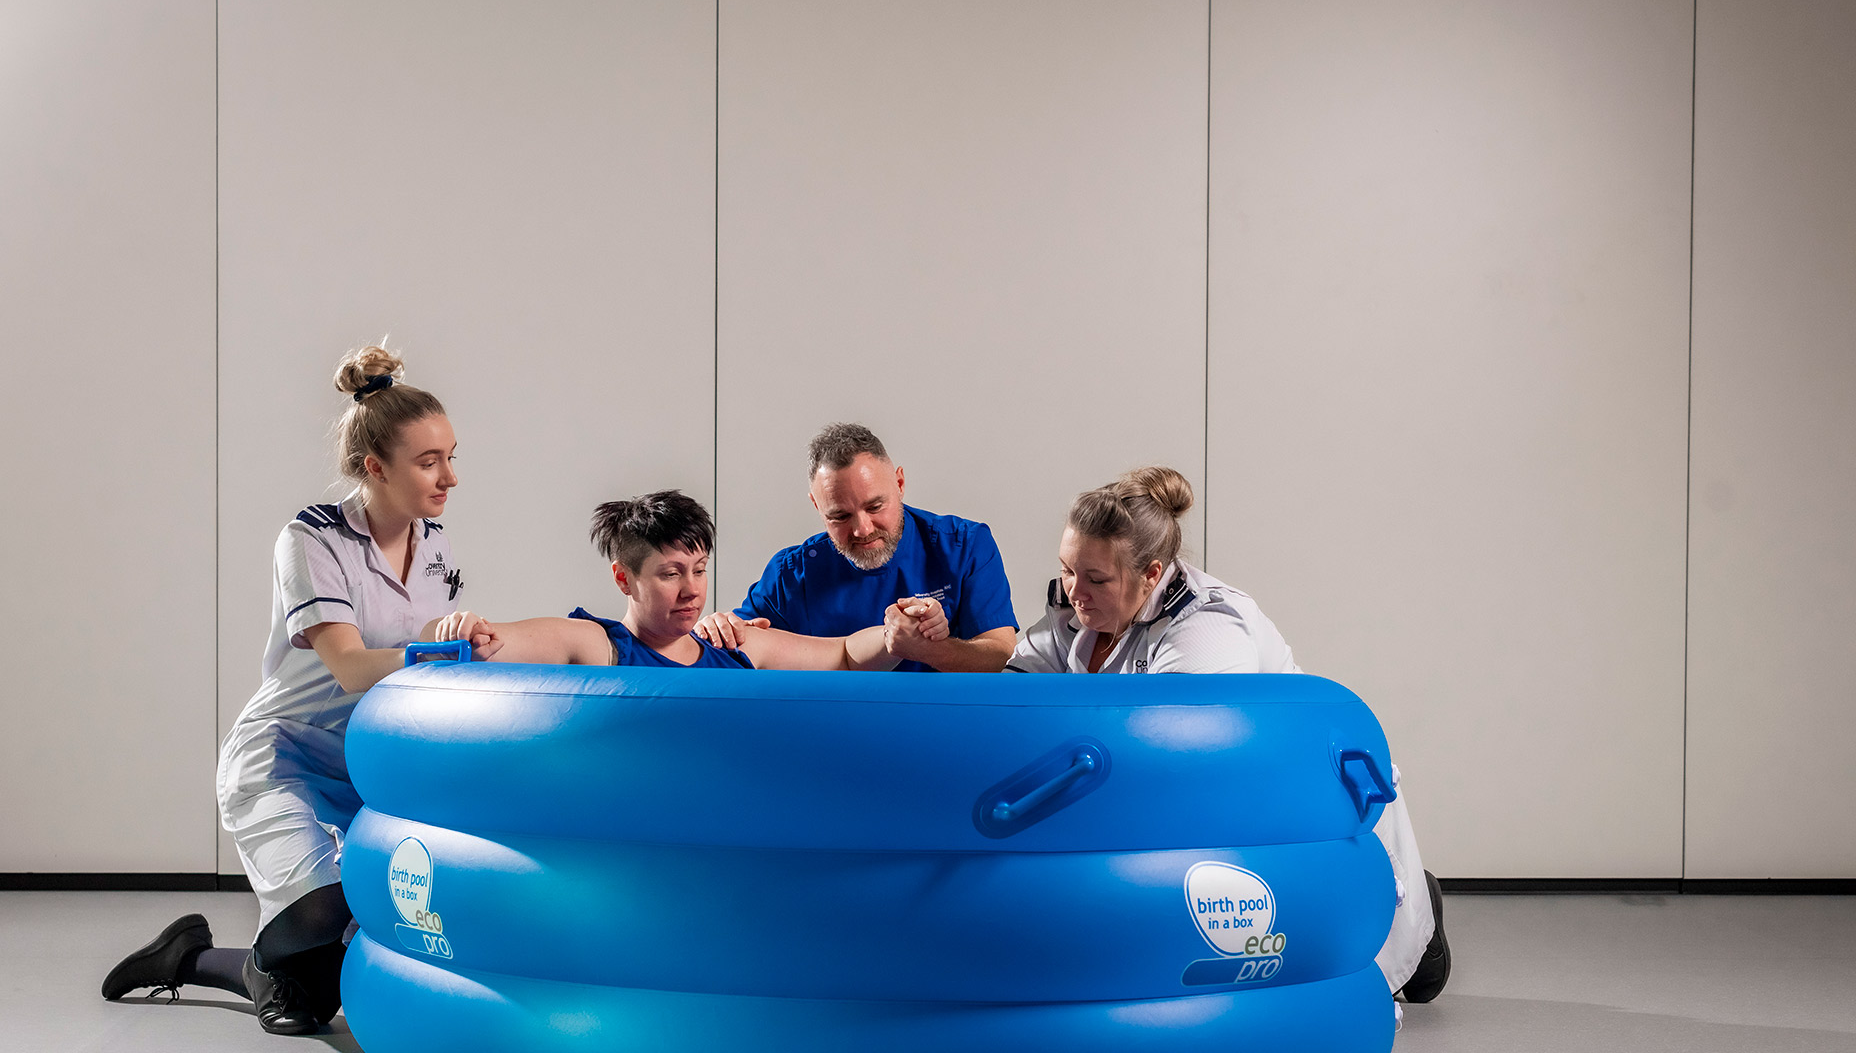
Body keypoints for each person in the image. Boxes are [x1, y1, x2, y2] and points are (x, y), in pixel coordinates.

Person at [101, 344, 494, 1034]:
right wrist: (442, 647)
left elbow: (422, 666)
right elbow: (350, 666)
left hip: (365, 765)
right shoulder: (310, 538)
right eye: (429, 462)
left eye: (451, 456)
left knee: (318, 995)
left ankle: (195, 956)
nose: (450, 477)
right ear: (376, 467)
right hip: (280, 759)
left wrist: (472, 649)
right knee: (330, 911)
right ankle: (259, 962)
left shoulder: (436, 544)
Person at [1005, 466, 1451, 1004]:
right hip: (1203, 804)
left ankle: (1423, 913)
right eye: (1067, 569)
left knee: (1408, 977)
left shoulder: (1209, 625)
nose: (1075, 592)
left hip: (1293, 799)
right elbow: (1014, 694)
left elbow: (1169, 750)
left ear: (1151, 574)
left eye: (1096, 579)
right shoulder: (1078, 606)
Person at [696, 423, 1017, 672]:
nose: (862, 529)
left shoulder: (963, 544)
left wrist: (928, 648)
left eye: (876, 506)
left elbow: (999, 655)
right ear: (817, 506)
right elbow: (735, 647)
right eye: (840, 516)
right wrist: (714, 628)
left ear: (900, 484)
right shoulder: (791, 575)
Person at [477, 490, 901, 670]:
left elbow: (844, 654)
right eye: (671, 574)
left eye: (699, 569)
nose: (693, 589)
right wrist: (463, 632)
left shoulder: (733, 645)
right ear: (623, 578)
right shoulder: (600, 646)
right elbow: (490, 642)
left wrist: (899, 631)